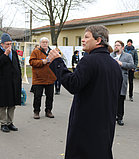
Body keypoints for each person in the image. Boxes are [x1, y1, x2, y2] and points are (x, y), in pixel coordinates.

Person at [47, 25, 122, 159]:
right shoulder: (114, 64)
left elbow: (73, 84)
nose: (83, 40)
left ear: (98, 40)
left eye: (87, 37)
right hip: (106, 123)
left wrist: (57, 62)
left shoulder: (89, 60)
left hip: (87, 124)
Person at [0, 33, 21, 132]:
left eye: (10, 44)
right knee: (3, 104)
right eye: (7, 44)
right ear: (2, 44)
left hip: (14, 82)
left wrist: (19, 80)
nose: (9, 46)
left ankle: (10, 122)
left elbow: (17, 67)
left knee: (12, 104)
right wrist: (5, 55)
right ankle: (3, 123)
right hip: (3, 83)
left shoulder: (14, 52)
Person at [29, 37, 56, 119]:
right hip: (38, 79)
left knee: (50, 97)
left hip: (50, 78)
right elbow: (31, 62)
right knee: (37, 96)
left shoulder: (52, 52)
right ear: (40, 43)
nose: (45, 44)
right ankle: (36, 112)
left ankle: (48, 111)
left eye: (46, 42)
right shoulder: (36, 51)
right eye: (43, 42)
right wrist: (41, 62)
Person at [111, 40, 134, 126]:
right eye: (115, 45)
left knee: (120, 99)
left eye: (118, 45)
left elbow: (132, 65)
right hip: (112, 80)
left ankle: (120, 117)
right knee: (112, 100)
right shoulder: (111, 55)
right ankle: (112, 116)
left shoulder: (128, 56)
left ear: (122, 47)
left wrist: (121, 63)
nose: (116, 47)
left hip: (122, 80)